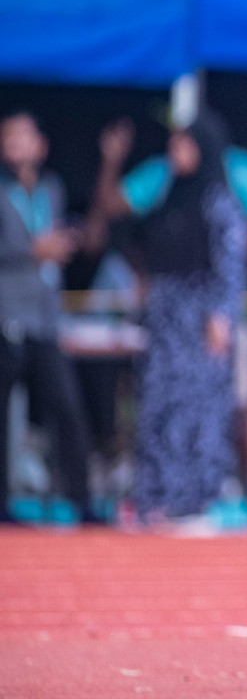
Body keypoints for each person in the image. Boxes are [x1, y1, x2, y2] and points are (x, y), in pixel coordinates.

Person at [95, 116, 247, 522]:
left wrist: (221, 314)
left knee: (202, 408)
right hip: (167, 317)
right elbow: (132, 231)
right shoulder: (169, 192)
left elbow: (232, 264)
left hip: (204, 318)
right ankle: (156, 499)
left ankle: (197, 498)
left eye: (184, 146)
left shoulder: (221, 197)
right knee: (159, 407)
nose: (175, 154)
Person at [0, 112, 100, 526]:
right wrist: (32, 252)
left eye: (22, 137)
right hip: (6, 316)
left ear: (40, 144)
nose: (14, 145)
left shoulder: (52, 189)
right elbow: (27, 249)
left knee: (68, 407)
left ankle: (82, 500)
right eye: (8, 138)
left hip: (45, 317)